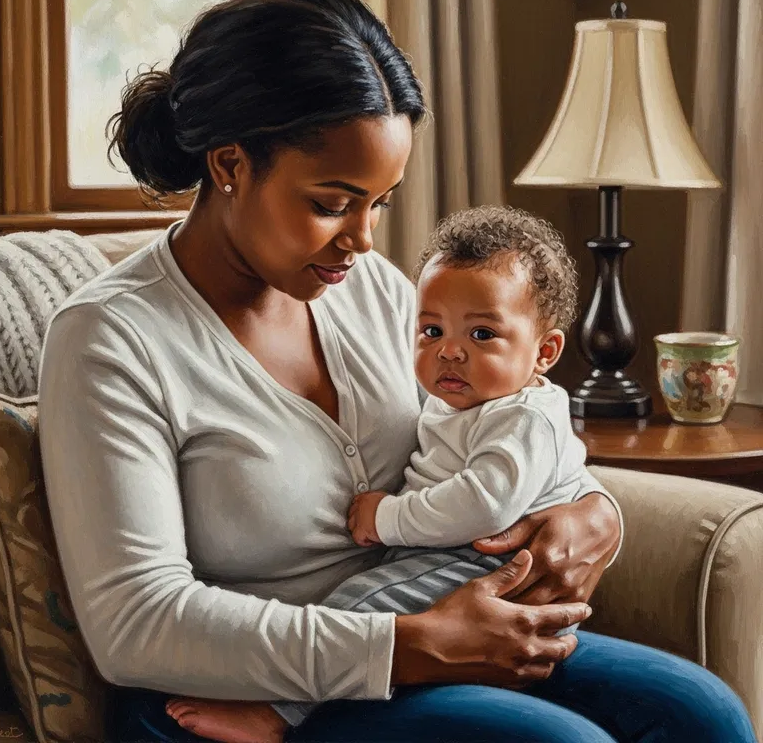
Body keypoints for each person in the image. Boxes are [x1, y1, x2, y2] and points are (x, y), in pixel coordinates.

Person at [37, 0, 756, 743]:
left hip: (423, 622)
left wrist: (592, 514)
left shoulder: (376, 293)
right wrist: (410, 646)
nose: (365, 240)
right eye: (332, 202)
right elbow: (136, 626)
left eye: (379, 202)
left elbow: (495, 434)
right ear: (229, 165)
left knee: (703, 714)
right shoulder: (109, 338)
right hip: (232, 691)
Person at [168, 204, 594, 742]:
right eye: (431, 331)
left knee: (359, 607)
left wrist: (387, 518)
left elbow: (485, 502)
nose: (451, 352)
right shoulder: (471, 396)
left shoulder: (521, 415)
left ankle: (274, 711)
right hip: (450, 578)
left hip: (476, 562)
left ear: (545, 352)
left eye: (483, 334)